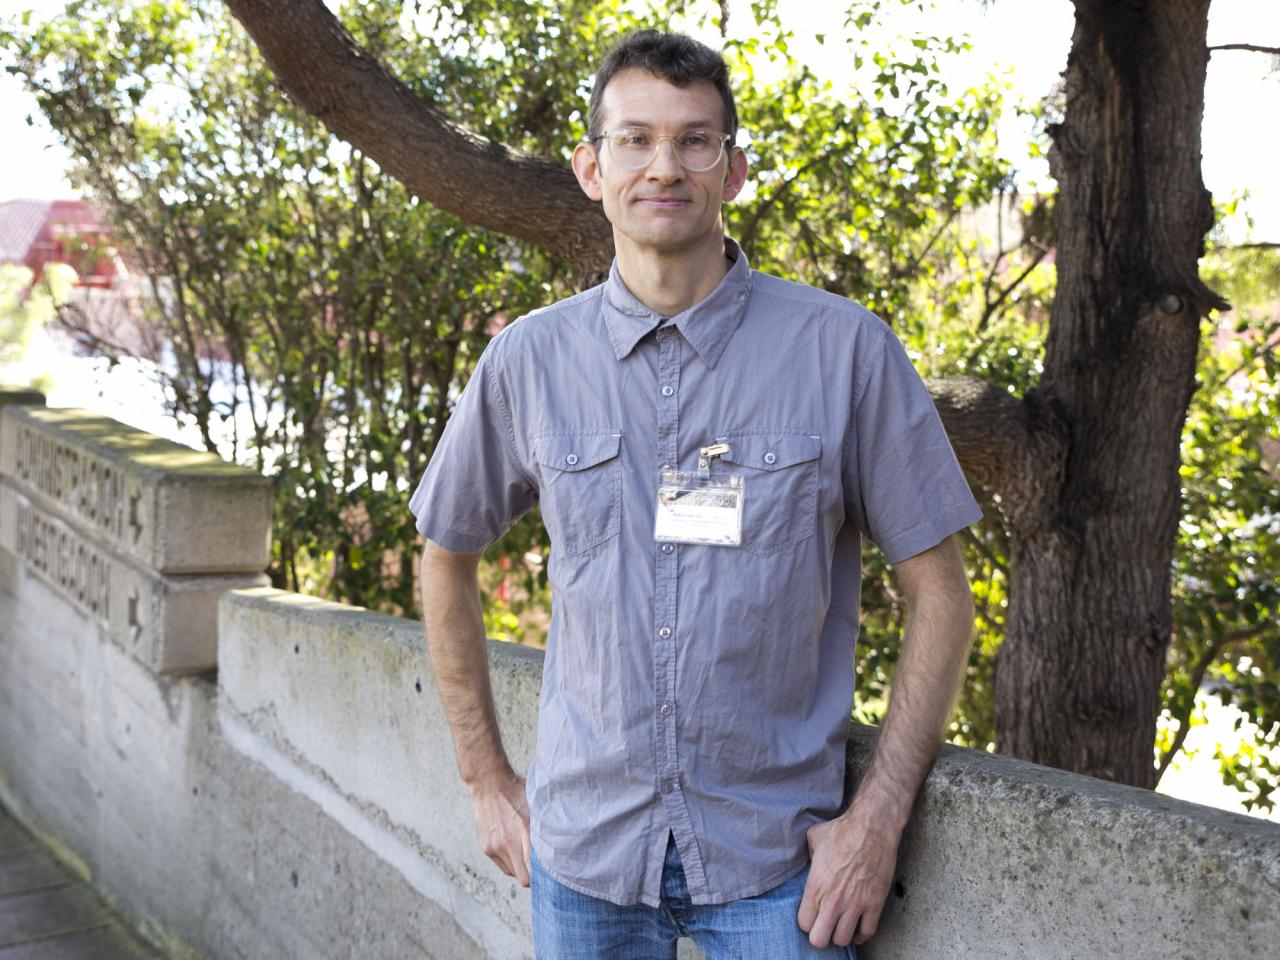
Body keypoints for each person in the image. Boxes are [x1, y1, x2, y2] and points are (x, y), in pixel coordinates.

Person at [411, 29, 980, 959]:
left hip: (781, 867)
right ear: (592, 169)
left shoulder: (844, 352)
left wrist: (877, 819)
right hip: (584, 859)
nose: (663, 165)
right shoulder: (528, 361)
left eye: (694, 140)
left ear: (735, 168)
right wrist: (485, 779)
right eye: (635, 139)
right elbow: (447, 555)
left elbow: (942, 595)